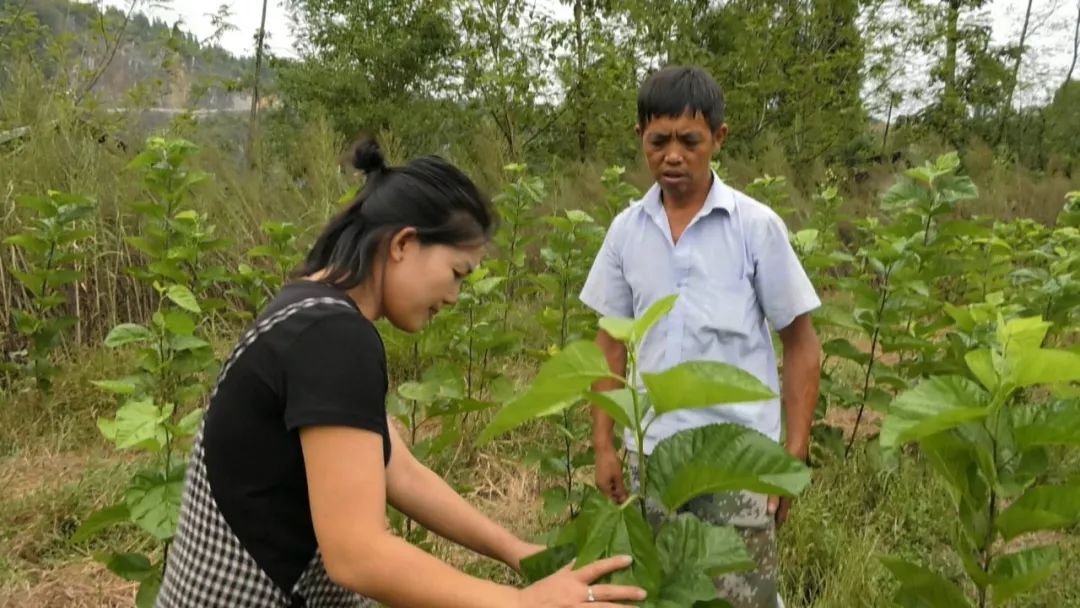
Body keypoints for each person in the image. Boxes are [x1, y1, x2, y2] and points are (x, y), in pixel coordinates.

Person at [157, 139, 647, 608]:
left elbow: (397, 470)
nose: (455, 297)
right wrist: (520, 602)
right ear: (404, 244)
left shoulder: (305, 308)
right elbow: (358, 556)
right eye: (457, 273)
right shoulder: (333, 337)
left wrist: (518, 553)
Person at [579, 65, 822, 608]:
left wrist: (792, 454)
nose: (672, 156)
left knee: (742, 596)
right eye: (657, 140)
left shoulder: (755, 227)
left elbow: (802, 344)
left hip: (739, 459)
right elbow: (610, 346)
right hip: (652, 456)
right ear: (640, 137)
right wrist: (603, 446)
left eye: (689, 140)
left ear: (718, 137)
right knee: (655, 592)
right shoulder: (626, 231)